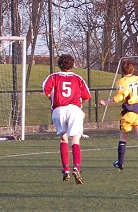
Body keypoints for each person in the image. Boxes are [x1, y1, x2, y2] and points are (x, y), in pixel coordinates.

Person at [100, 59, 138, 170]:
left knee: (123, 137)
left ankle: (120, 163)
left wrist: (106, 102)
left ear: (122, 71)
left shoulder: (122, 82)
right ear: (133, 69)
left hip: (129, 110)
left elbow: (121, 96)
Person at [42, 54, 91, 184]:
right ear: (72, 65)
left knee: (63, 139)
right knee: (75, 139)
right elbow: (86, 96)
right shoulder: (78, 78)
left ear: (59, 65)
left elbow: (46, 91)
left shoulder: (53, 77)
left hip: (59, 110)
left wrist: (54, 99)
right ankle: (76, 167)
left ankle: (66, 169)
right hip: (74, 109)